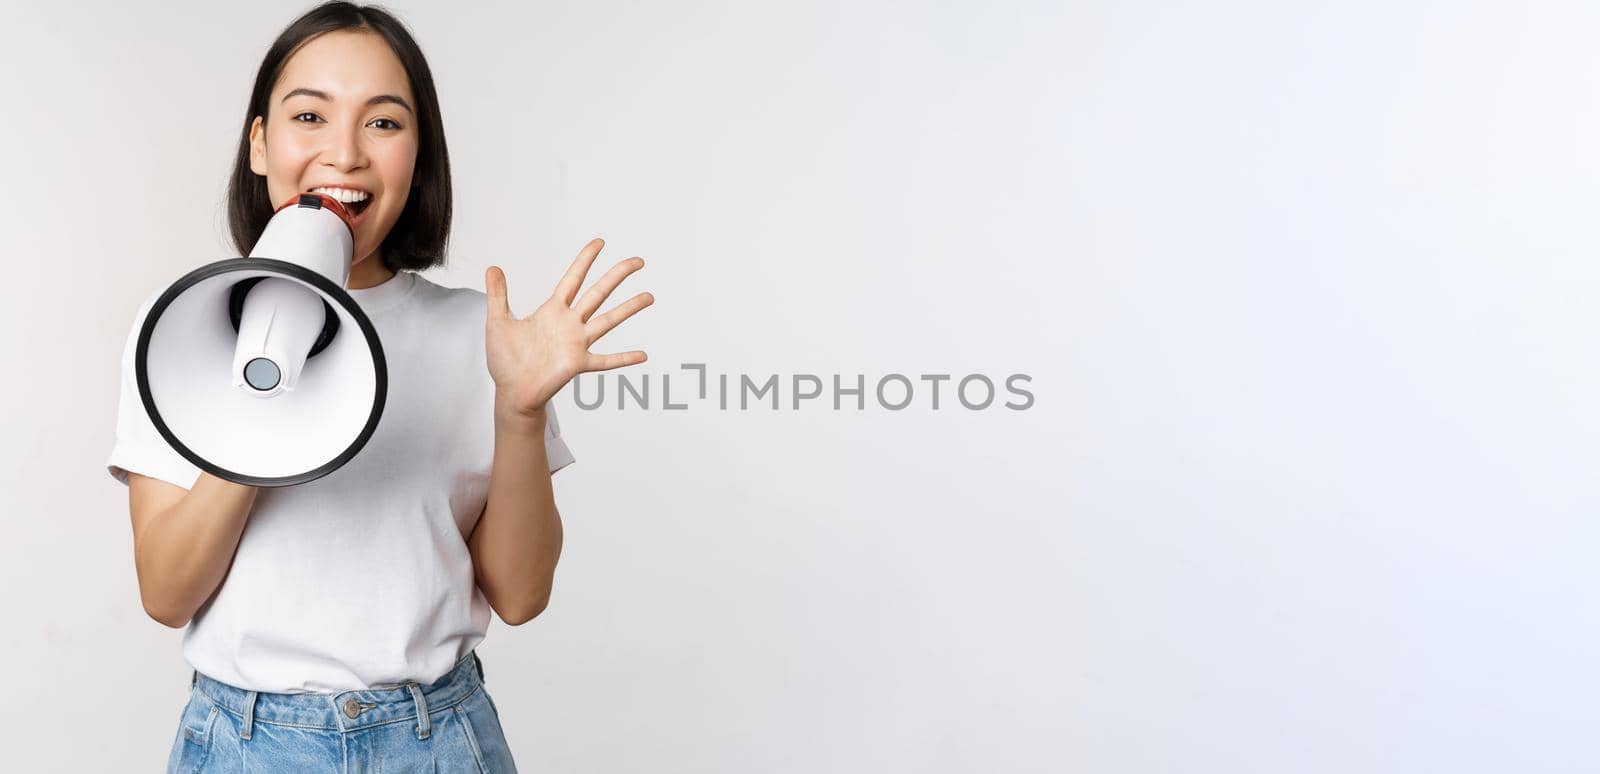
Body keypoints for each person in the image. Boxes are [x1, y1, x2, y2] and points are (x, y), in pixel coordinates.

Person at [105, 3, 653, 771]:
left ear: (418, 154)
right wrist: (263, 404)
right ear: (260, 144)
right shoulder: (182, 329)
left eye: (384, 123)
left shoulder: (480, 338)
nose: (346, 154)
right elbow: (166, 593)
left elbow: (522, 596)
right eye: (309, 115)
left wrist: (519, 412)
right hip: (247, 742)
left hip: (434, 740)